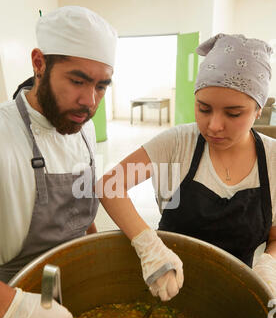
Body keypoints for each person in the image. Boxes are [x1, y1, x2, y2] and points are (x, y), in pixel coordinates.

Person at [0, 5, 117, 318]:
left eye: (101, 86)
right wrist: (13, 311)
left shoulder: (81, 125)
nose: (90, 101)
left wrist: (94, 251)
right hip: (11, 298)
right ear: (39, 63)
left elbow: (80, 205)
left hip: (76, 283)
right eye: (77, 80)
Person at [97, 33, 276, 301]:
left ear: (258, 109)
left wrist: (269, 264)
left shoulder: (272, 159)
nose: (214, 126)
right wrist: (148, 246)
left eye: (233, 113)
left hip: (235, 295)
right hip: (164, 285)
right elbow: (109, 185)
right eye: (204, 108)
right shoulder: (178, 142)